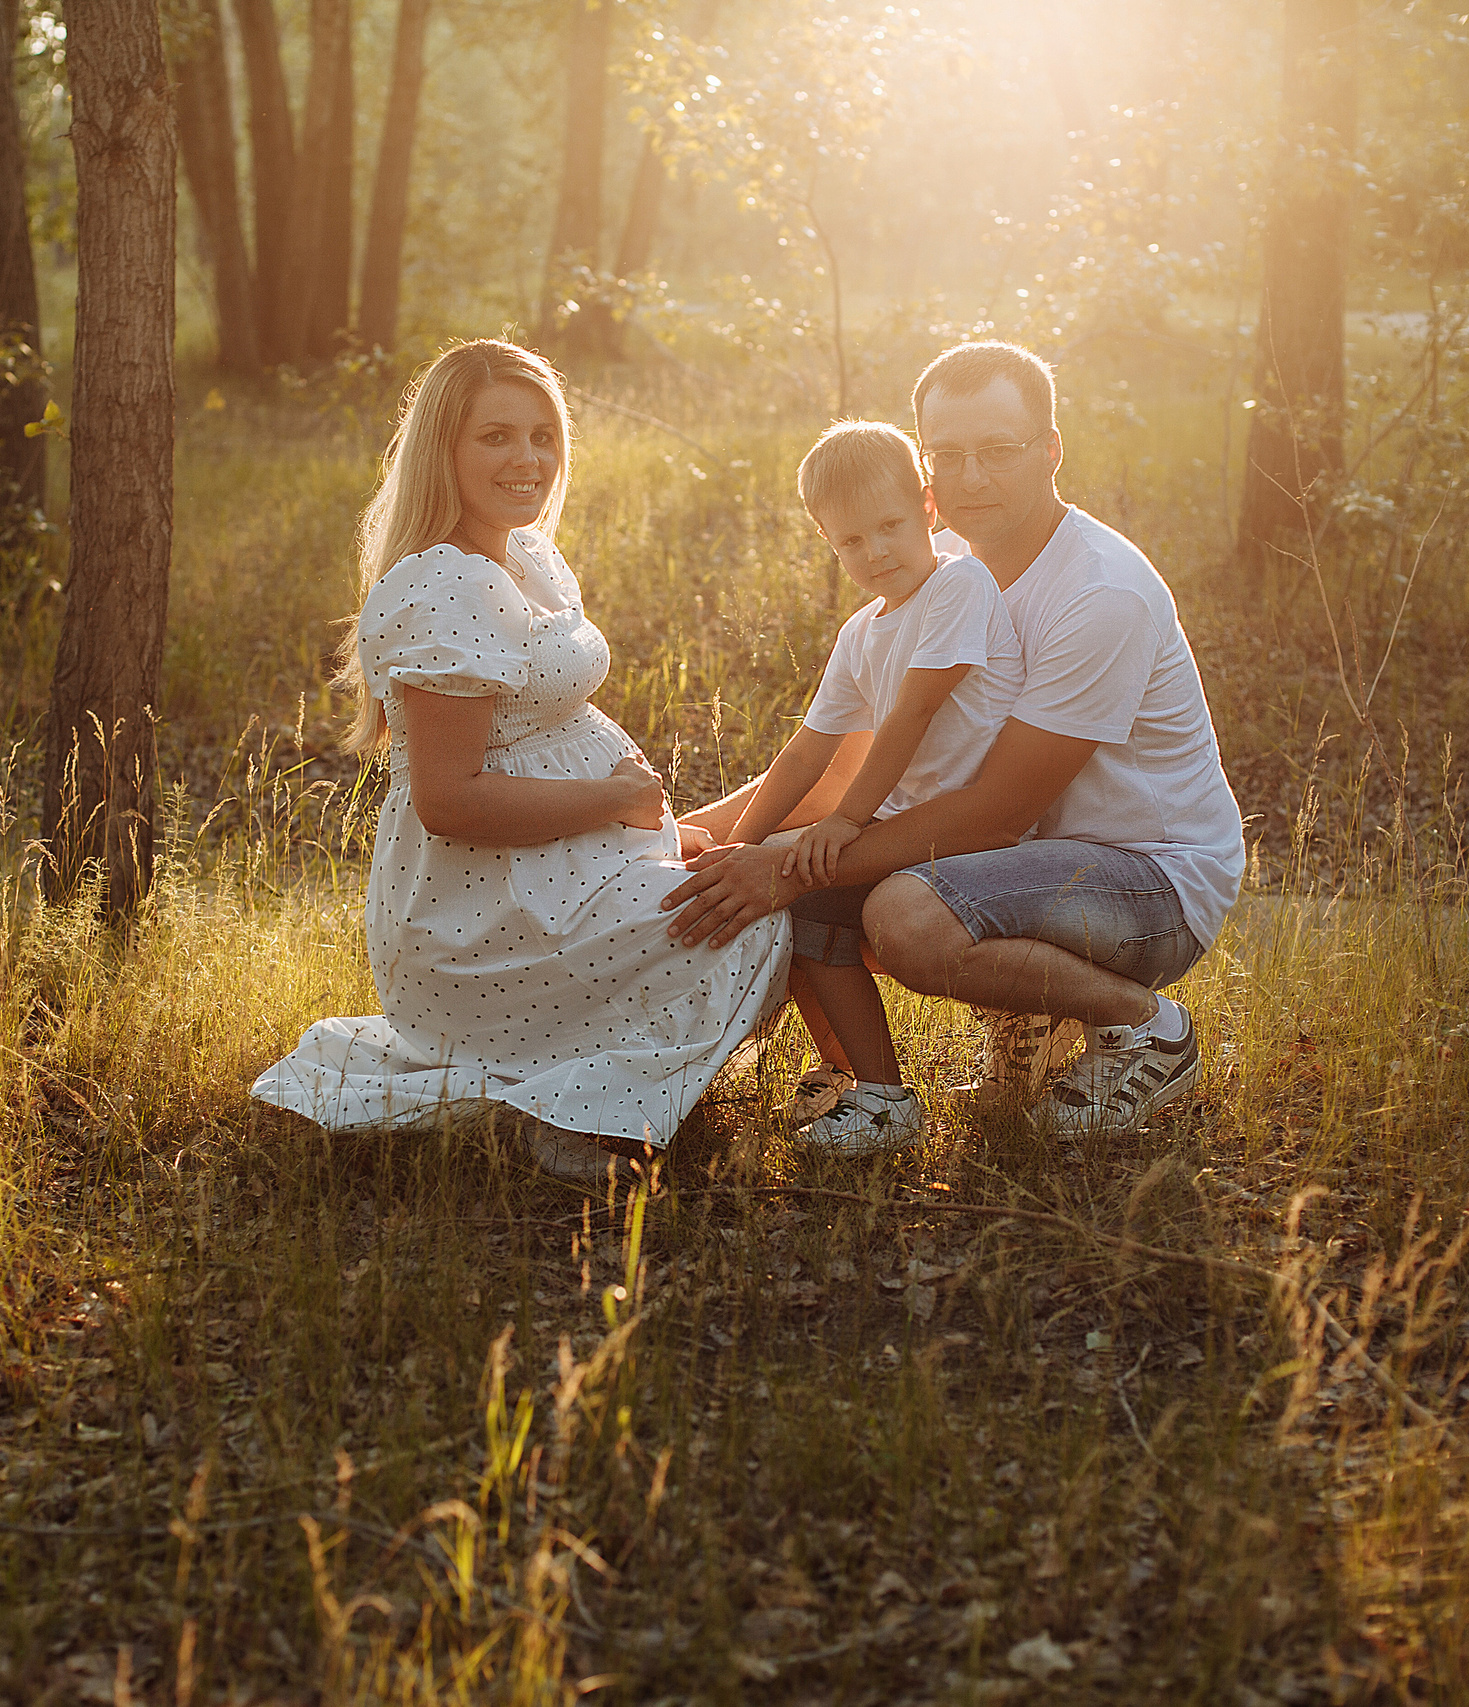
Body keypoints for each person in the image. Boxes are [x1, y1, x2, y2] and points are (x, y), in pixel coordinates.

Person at [669, 340, 1245, 1137]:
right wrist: (696, 839)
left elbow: (993, 816)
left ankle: (1148, 1027)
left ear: (1051, 450)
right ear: (924, 472)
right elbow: (838, 767)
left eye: (999, 451)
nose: (972, 477)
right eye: (948, 455)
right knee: (810, 894)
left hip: (1152, 878)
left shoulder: (1100, 594)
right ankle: (870, 1092)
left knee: (905, 916)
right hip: (1029, 862)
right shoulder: (927, 572)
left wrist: (787, 869)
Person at [251, 339, 791, 1178]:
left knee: (742, 884)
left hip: (557, 878)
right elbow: (451, 801)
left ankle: (574, 1088)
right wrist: (610, 804)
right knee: (754, 915)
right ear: (444, 448)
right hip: (479, 917)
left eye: (543, 435)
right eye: (496, 436)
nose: (527, 458)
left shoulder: (527, 554)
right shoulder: (445, 587)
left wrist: (625, 824)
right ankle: (569, 1116)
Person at [723, 421, 1020, 1155]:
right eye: (852, 542)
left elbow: (915, 712)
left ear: (928, 506)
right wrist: (740, 845)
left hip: (970, 830)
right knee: (783, 886)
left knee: (810, 885)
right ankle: (847, 1074)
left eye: (889, 526)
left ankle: (886, 1100)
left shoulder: (959, 583)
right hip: (902, 823)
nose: (876, 551)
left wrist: (847, 820)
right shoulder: (862, 630)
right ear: (829, 542)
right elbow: (805, 752)